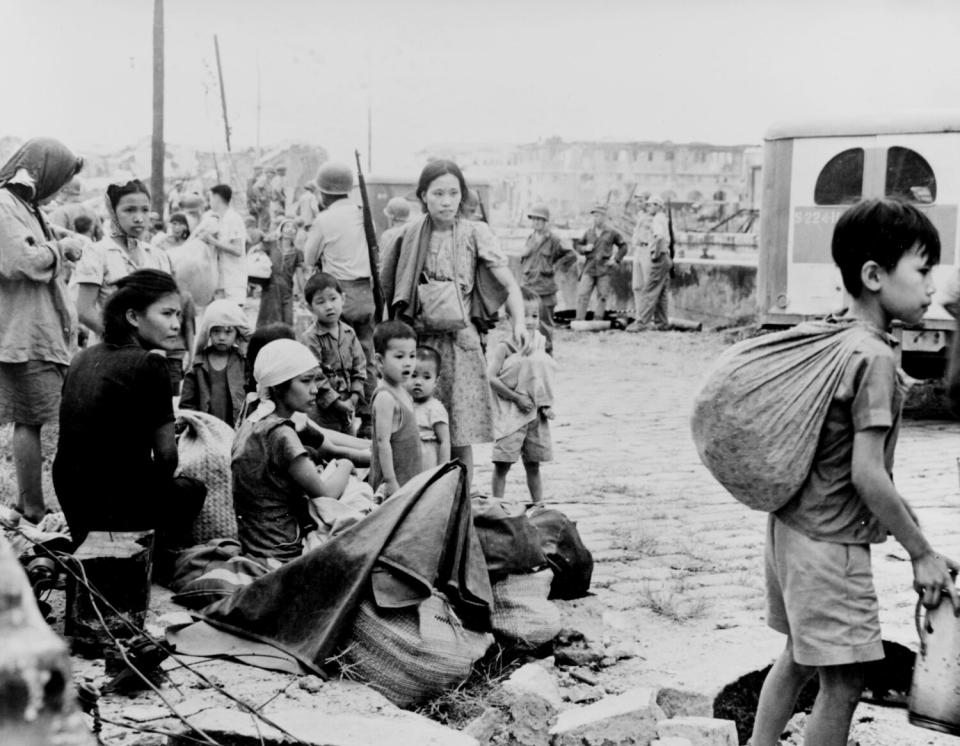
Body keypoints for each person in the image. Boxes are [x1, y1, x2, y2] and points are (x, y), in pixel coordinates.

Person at [750, 198, 960, 746]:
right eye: (922, 269)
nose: (933, 285)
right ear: (874, 276)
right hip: (829, 545)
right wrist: (920, 552)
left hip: (789, 529)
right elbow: (868, 476)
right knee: (843, 682)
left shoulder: (837, 336)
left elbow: (848, 467)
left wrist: (915, 530)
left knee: (796, 656)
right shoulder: (877, 359)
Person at [385, 159, 528, 492]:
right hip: (420, 343)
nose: (446, 201)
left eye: (453, 193)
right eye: (438, 193)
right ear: (423, 196)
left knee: (459, 428)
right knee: (414, 424)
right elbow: (391, 290)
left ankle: (461, 497)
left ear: (462, 196)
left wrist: (517, 321)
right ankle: (420, 496)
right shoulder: (406, 236)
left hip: (462, 343)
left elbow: (507, 283)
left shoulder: (475, 233)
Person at [53, 269, 207, 549]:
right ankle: (158, 554)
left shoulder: (82, 357)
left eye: (178, 316)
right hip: (115, 508)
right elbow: (166, 456)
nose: (175, 325)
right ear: (133, 317)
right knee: (192, 489)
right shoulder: (151, 364)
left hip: (74, 501)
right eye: (167, 314)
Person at [0, 138, 84, 523]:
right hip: (23, 332)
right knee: (30, 418)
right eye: (57, 179)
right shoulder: (4, 206)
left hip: (39, 329)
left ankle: (33, 502)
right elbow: (20, 261)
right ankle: (31, 504)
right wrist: (59, 249)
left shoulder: (26, 208)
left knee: (36, 417)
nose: (56, 190)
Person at [231, 338, 354, 562]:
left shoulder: (253, 418)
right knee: (360, 504)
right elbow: (326, 494)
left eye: (315, 381)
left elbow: (330, 447)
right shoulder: (281, 433)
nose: (315, 389)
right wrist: (347, 466)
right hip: (282, 547)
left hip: (255, 541)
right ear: (278, 387)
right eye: (306, 381)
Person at [304, 162, 377, 437]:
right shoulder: (362, 215)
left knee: (330, 355)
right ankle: (368, 418)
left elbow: (308, 258)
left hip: (334, 293)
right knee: (366, 355)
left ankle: (336, 410)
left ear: (323, 194)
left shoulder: (324, 220)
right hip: (365, 292)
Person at [75, 179, 174, 341]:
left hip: (151, 350)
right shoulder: (97, 253)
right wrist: (123, 340)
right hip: (110, 349)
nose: (139, 218)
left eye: (145, 210)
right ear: (113, 212)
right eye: (129, 210)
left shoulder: (157, 256)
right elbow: (84, 310)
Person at [488, 288, 555, 504]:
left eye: (535, 316)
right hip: (511, 413)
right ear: (509, 319)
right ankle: (497, 505)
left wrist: (543, 402)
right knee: (502, 464)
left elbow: (542, 374)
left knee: (533, 464)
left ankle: (539, 504)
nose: (530, 321)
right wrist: (516, 398)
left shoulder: (539, 342)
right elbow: (491, 378)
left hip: (535, 412)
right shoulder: (504, 347)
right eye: (524, 316)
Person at [298, 272, 367, 434]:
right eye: (320, 302)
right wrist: (336, 403)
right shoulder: (310, 338)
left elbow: (360, 366)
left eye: (333, 299)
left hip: (349, 404)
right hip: (323, 408)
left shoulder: (349, 333)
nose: (329, 306)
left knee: (349, 441)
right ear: (310, 308)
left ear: (343, 299)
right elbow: (315, 374)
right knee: (326, 445)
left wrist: (355, 396)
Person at [368, 320, 421, 498]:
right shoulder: (385, 397)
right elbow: (383, 443)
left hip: (408, 477)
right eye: (399, 357)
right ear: (380, 360)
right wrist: (391, 482)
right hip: (393, 485)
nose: (408, 363)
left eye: (412, 356)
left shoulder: (403, 391)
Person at [180, 299, 250, 427]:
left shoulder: (243, 362)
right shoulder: (198, 364)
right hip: (206, 429)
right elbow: (187, 404)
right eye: (216, 331)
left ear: (237, 334)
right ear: (208, 333)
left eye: (228, 332)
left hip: (236, 428)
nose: (222, 337)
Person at [520, 204, 576, 353]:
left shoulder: (554, 240)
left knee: (544, 326)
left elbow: (571, 255)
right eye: (534, 219)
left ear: (546, 222)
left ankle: (546, 355)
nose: (536, 222)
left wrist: (557, 268)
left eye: (540, 219)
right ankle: (529, 353)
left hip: (545, 290)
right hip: (529, 286)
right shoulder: (530, 238)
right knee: (527, 324)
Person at [572, 204, 627, 321]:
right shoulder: (588, 233)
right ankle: (579, 320)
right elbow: (577, 246)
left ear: (604, 217)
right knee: (583, 294)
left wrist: (616, 259)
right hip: (589, 267)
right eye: (594, 216)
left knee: (602, 296)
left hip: (604, 269)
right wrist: (585, 248)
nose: (596, 218)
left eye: (599, 216)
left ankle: (598, 320)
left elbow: (623, 246)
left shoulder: (612, 233)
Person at [195, 184, 247, 305]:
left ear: (217, 198)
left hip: (234, 280)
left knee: (234, 318)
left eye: (211, 198)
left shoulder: (233, 219)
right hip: (220, 280)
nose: (210, 202)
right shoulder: (217, 219)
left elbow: (238, 250)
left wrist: (213, 241)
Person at [629, 194, 672, 331]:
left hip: (658, 256)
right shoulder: (662, 218)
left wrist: (655, 254)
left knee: (649, 290)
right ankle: (662, 323)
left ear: (658, 206)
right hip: (665, 256)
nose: (649, 207)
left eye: (651, 205)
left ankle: (642, 322)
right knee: (661, 292)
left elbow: (659, 237)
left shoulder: (657, 219)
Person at [407, 346, 450, 471]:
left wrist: (442, 470)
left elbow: (445, 441)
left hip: (427, 461)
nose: (418, 382)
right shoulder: (403, 403)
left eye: (426, 377)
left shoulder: (434, 408)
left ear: (436, 381)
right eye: (413, 375)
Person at [256, 216, 303, 328]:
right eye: (287, 226)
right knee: (269, 322)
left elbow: (300, 274)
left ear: (296, 233)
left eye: (293, 228)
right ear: (281, 230)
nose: (290, 229)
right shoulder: (271, 245)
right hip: (269, 289)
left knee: (287, 322)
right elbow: (258, 254)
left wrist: (302, 294)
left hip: (287, 291)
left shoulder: (297, 253)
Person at [378, 196, 412, 306]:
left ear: (391, 217)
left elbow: (383, 263)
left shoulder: (388, 235)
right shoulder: (413, 231)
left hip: (392, 282)